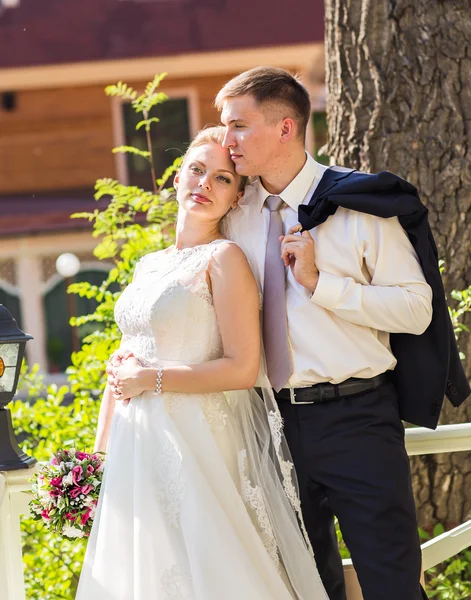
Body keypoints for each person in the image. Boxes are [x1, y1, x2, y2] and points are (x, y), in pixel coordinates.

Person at [75, 126, 329, 600]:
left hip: (197, 441)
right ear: (176, 178)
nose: (205, 185)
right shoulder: (148, 265)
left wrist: (150, 379)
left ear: (236, 199)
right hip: (137, 442)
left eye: (223, 179)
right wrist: (99, 453)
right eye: (196, 170)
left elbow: (241, 366)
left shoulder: (225, 259)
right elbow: (125, 362)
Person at [215, 66, 436, 600]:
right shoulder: (232, 216)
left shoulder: (359, 204)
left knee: (391, 583)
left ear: (286, 128)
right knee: (303, 587)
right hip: (269, 427)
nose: (228, 142)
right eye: (224, 127)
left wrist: (320, 283)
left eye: (239, 126)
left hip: (356, 418)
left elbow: (416, 310)